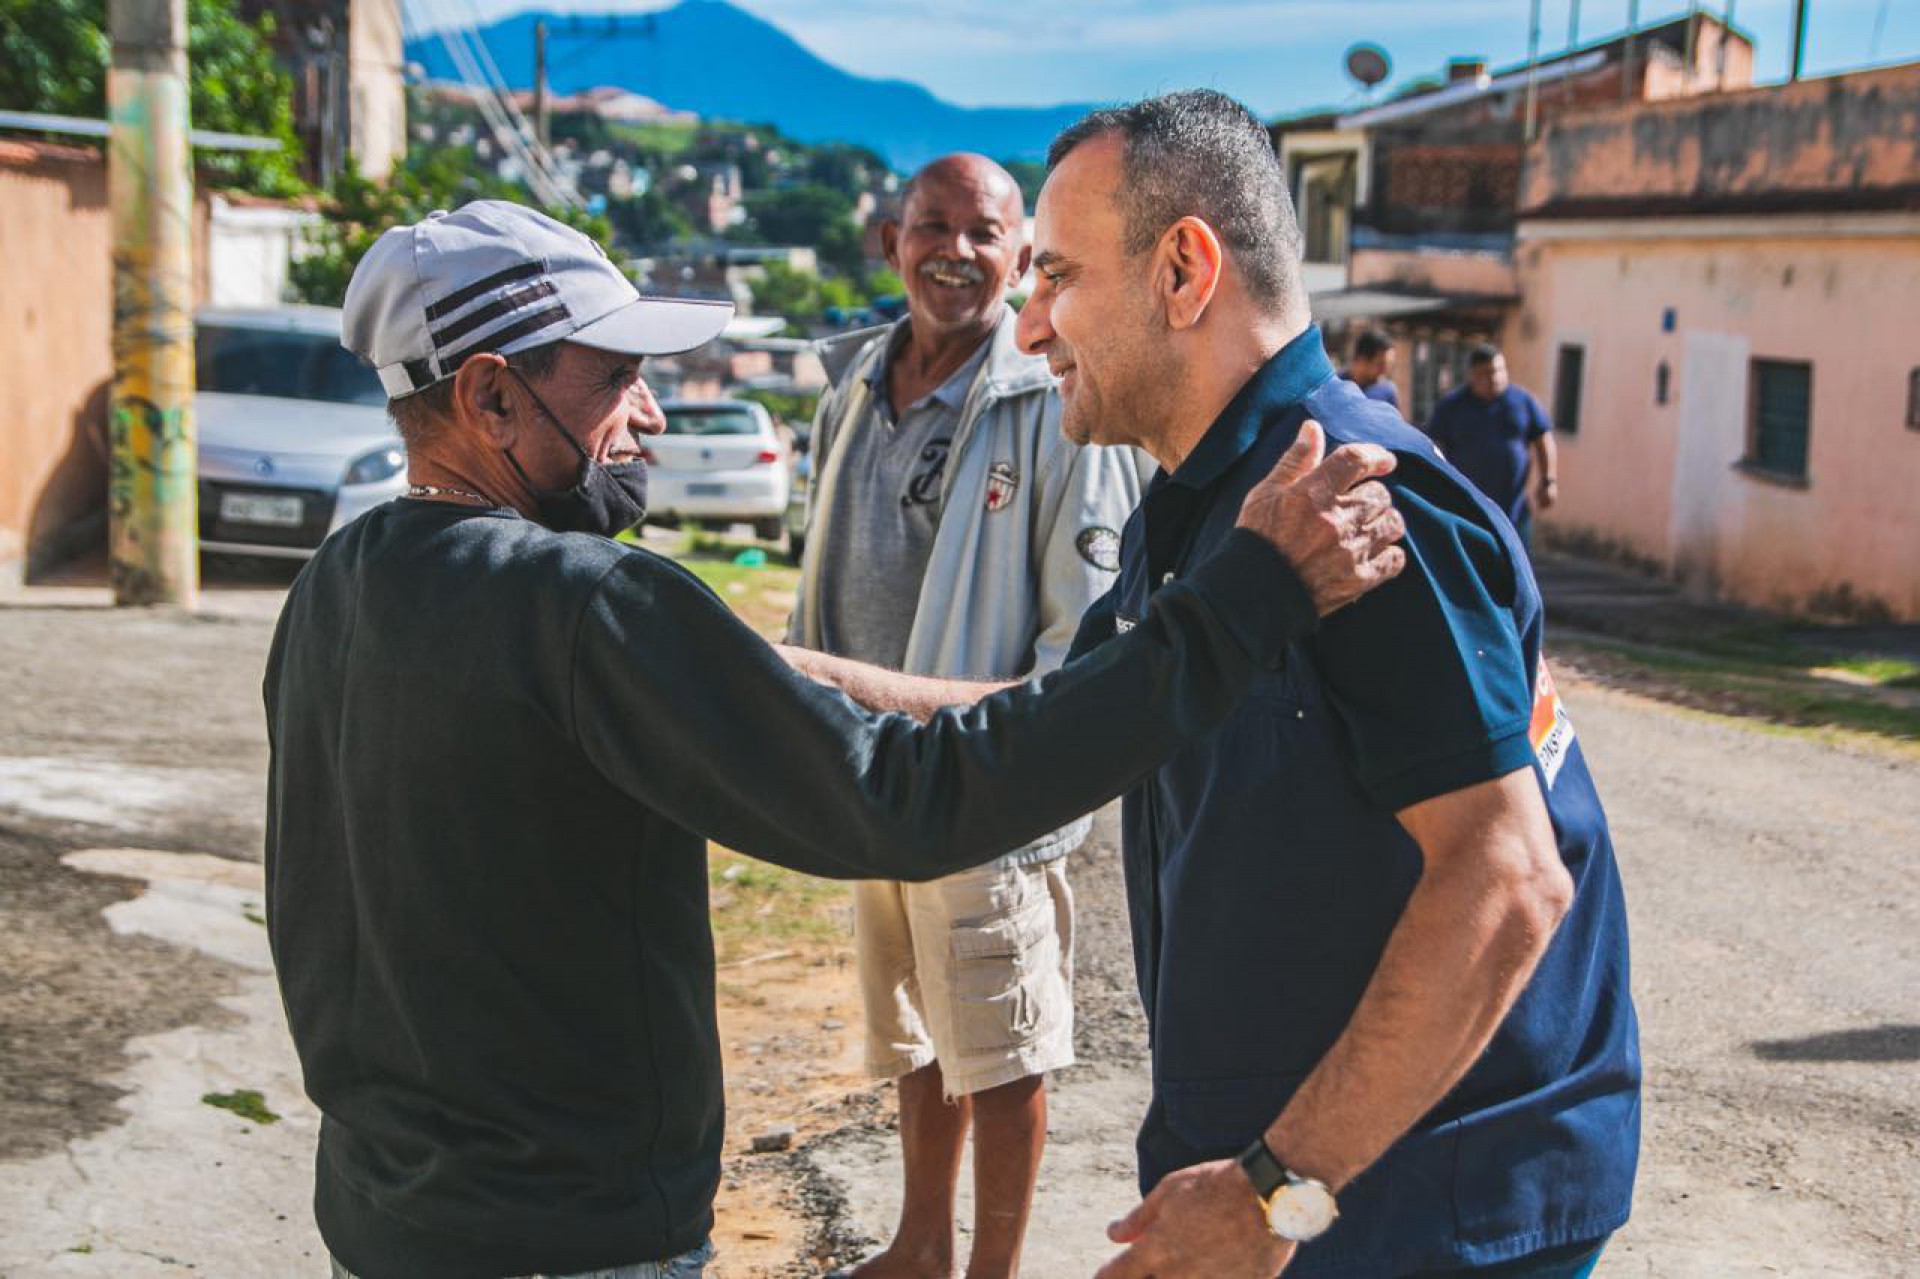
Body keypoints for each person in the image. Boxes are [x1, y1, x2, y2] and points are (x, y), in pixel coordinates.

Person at [263, 199, 1407, 1279]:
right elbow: (906, 802)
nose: (650, 413)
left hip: (381, 1221)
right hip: (569, 1235)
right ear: (491, 398)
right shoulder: (581, 604)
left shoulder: (333, 592)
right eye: (615, 378)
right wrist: (1243, 603)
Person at [824, 92, 1639, 1278]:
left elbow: (1508, 880)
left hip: (1421, 1213)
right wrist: (764, 673)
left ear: (1183, 271)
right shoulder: (1206, 512)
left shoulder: (1358, 501)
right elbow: (1044, 725)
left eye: (1055, 275)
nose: (1031, 324)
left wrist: (1274, 1192)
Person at [784, 153, 1144, 1279]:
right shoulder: (853, 383)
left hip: (985, 783)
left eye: (986, 233)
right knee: (918, 1032)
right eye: (932, 228)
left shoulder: (1054, 397)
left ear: (1021, 256)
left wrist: (1034, 779)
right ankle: (920, 1246)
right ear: (892, 241)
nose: (957, 251)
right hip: (870, 773)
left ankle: (990, 1271)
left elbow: (1087, 642)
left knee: (1002, 1047)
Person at [1424, 344, 1559, 549]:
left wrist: (1548, 480)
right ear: (1472, 375)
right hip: (1467, 511)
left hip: (1513, 511)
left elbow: (1543, 439)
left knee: (1515, 571)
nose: (1494, 377)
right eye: (1486, 372)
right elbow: (1433, 446)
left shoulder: (1522, 402)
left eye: (1499, 370)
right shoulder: (1453, 407)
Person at [1341, 328, 1401, 412]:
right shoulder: (1335, 388)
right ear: (1361, 360)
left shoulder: (1387, 392)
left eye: (1389, 366)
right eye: (1381, 364)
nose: (1384, 371)